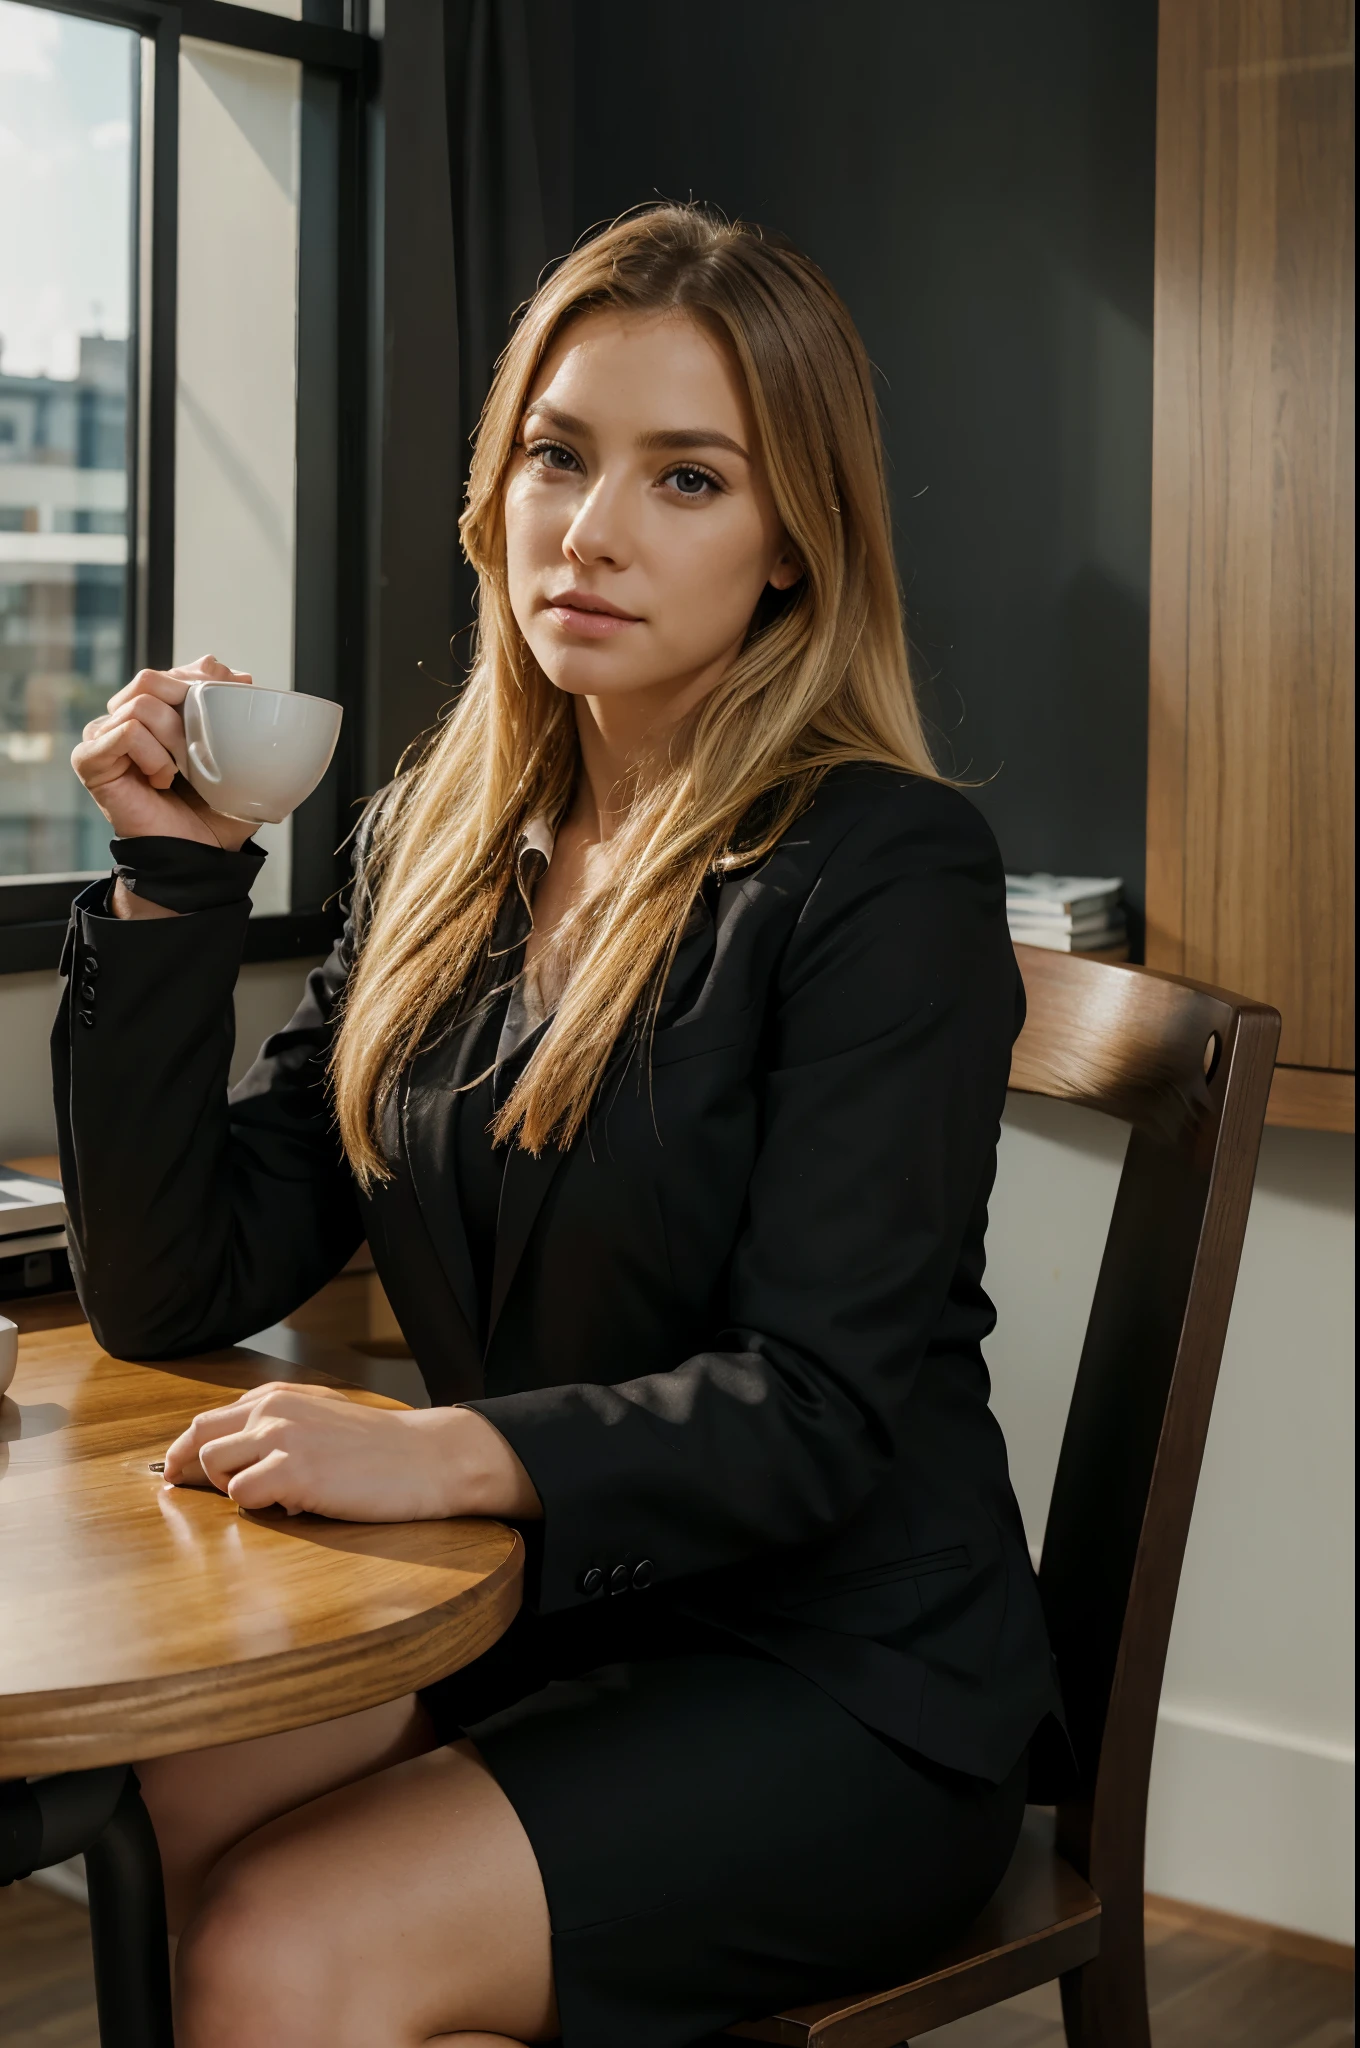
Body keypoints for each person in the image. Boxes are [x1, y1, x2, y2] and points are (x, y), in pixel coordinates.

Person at [58, 204, 1059, 2048]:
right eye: (557, 454)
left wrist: (438, 1454)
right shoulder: (442, 840)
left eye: (688, 479)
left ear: (788, 549)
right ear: (494, 486)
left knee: (283, 1951)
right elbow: (174, 1279)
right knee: (193, 1788)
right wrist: (172, 888)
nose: (589, 529)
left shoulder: (886, 868)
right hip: (541, 1614)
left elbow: (821, 1408)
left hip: (842, 1671)